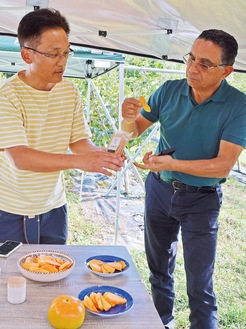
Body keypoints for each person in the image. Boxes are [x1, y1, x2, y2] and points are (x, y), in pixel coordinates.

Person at [121, 29, 246, 329]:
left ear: (226, 70)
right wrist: (128, 115)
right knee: (158, 270)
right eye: (190, 58)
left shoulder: (238, 106)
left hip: (201, 201)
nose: (192, 68)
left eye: (205, 63)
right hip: (160, 191)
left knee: (200, 285)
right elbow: (135, 128)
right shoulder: (168, 90)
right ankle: (161, 322)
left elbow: (222, 166)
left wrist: (173, 162)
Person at [0, 8, 125, 245]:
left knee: (54, 274)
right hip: (10, 210)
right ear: (27, 55)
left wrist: (101, 155)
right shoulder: (7, 95)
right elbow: (21, 158)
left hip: (54, 208)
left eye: (66, 53)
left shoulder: (69, 91)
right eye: (54, 54)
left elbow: (78, 142)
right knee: (10, 280)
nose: (63, 62)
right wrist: (81, 162)